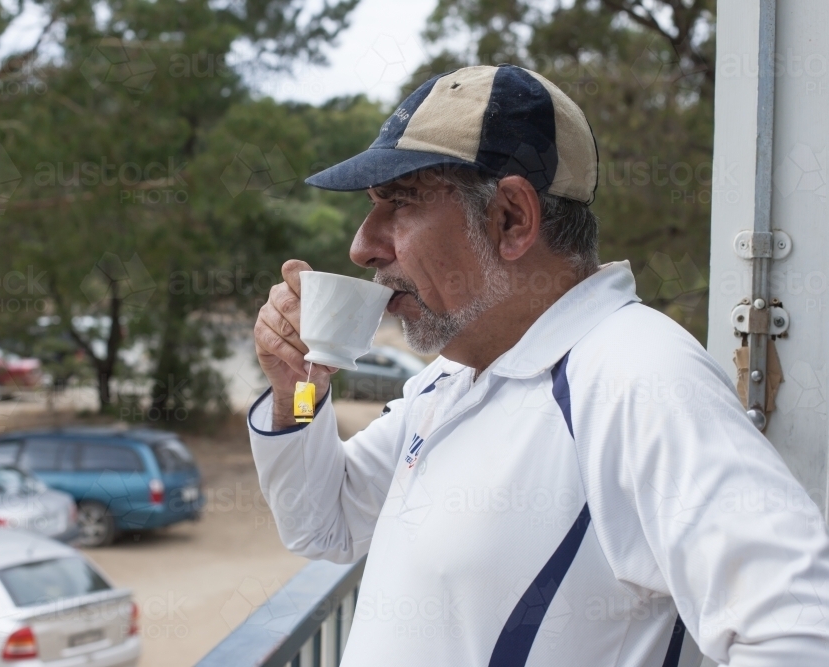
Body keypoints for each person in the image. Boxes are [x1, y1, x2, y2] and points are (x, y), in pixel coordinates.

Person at [248, 64, 829, 666]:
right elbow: (324, 521)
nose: (362, 244)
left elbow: (801, 635)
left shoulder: (642, 377)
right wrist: (298, 391)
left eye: (400, 202)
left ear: (512, 219)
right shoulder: (453, 377)